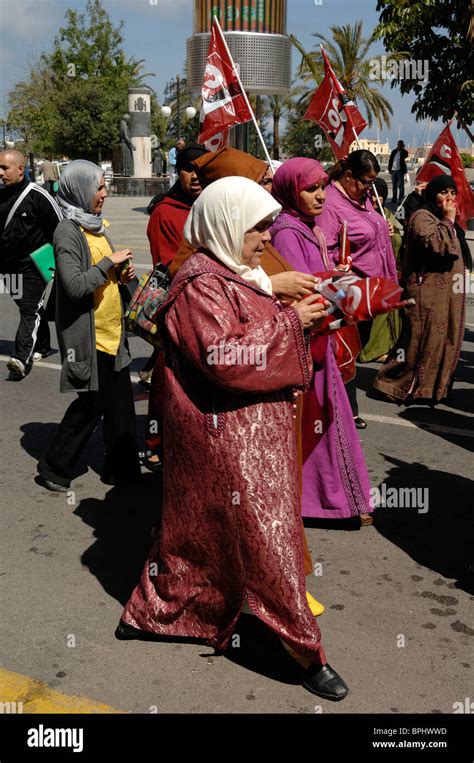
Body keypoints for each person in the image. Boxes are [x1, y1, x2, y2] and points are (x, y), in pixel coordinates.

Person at [116, 176, 349, 701]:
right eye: (258, 227)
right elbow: (226, 358)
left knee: (197, 532)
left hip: (246, 434)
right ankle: (303, 650)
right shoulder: (200, 282)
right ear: (225, 225)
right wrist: (294, 324)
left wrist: (300, 307)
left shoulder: (230, 270)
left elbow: (250, 322)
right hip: (225, 439)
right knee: (269, 541)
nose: (267, 237)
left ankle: (159, 611)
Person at [270, 157, 373, 525]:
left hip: (320, 336)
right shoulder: (286, 230)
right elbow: (301, 289)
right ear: (289, 190)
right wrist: (338, 283)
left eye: (322, 187)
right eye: (310, 188)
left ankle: (336, 500)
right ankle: (321, 502)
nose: (320, 196)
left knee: (327, 419)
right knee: (314, 423)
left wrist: (336, 275)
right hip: (304, 339)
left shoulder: (305, 225)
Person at [37, 160, 141, 492]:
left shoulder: (94, 225)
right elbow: (75, 286)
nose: (104, 194)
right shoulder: (67, 231)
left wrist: (121, 272)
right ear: (80, 190)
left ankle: (122, 471)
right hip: (90, 336)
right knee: (90, 406)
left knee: (121, 406)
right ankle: (54, 467)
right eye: (98, 187)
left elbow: (102, 274)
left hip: (114, 333)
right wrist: (108, 263)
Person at [373, 174, 470, 405]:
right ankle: (396, 385)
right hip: (426, 294)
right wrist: (448, 220)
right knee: (420, 341)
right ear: (431, 194)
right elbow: (438, 246)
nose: (448, 197)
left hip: (449, 295)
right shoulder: (421, 217)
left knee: (446, 340)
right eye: (443, 192)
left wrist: (449, 221)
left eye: (452, 192)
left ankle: (434, 389)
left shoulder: (447, 220)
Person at [317, 150, 397, 428]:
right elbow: (326, 249)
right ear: (349, 176)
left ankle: (345, 409)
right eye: (366, 181)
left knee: (353, 351)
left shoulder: (363, 199)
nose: (370, 188)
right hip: (348, 293)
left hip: (372, 291)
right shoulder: (331, 204)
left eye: (373, 183)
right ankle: (344, 411)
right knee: (343, 352)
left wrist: (381, 226)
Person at [141, 143, 208, 470]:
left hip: (211, 308)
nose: (195, 176)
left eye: (201, 169)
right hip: (178, 305)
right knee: (167, 379)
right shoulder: (165, 210)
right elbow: (168, 265)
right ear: (177, 171)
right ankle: (155, 443)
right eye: (188, 169)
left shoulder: (213, 206)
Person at [0, 149, 62, 380]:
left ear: (20, 169)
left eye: (4, 168)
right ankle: (43, 346)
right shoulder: (0, 194)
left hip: (36, 264)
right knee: (30, 307)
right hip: (7, 265)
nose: (0, 173)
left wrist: (60, 262)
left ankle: (20, 358)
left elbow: (61, 229)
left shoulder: (39, 196)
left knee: (29, 308)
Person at [359, 177, 403, 363]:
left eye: (381, 196)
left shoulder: (387, 215)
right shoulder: (361, 215)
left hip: (391, 273)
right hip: (372, 274)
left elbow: (400, 241)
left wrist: (394, 234)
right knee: (377, 316)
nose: (377, 200)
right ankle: (373, 350)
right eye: (373, 195)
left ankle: (390, 346)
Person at [388, 139, 409, 204]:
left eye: (400, 145)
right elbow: (390, 160)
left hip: (400, 170)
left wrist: (402, 148)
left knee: (401, 185)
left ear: (402, 145)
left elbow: (406, 154)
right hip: (393, 170)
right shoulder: (394, 152)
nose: (399, 146)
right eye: (398, 144)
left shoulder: (403, 152)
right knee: (394, 186)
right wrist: (389, 169)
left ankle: (400, 199)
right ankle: (394, 199)